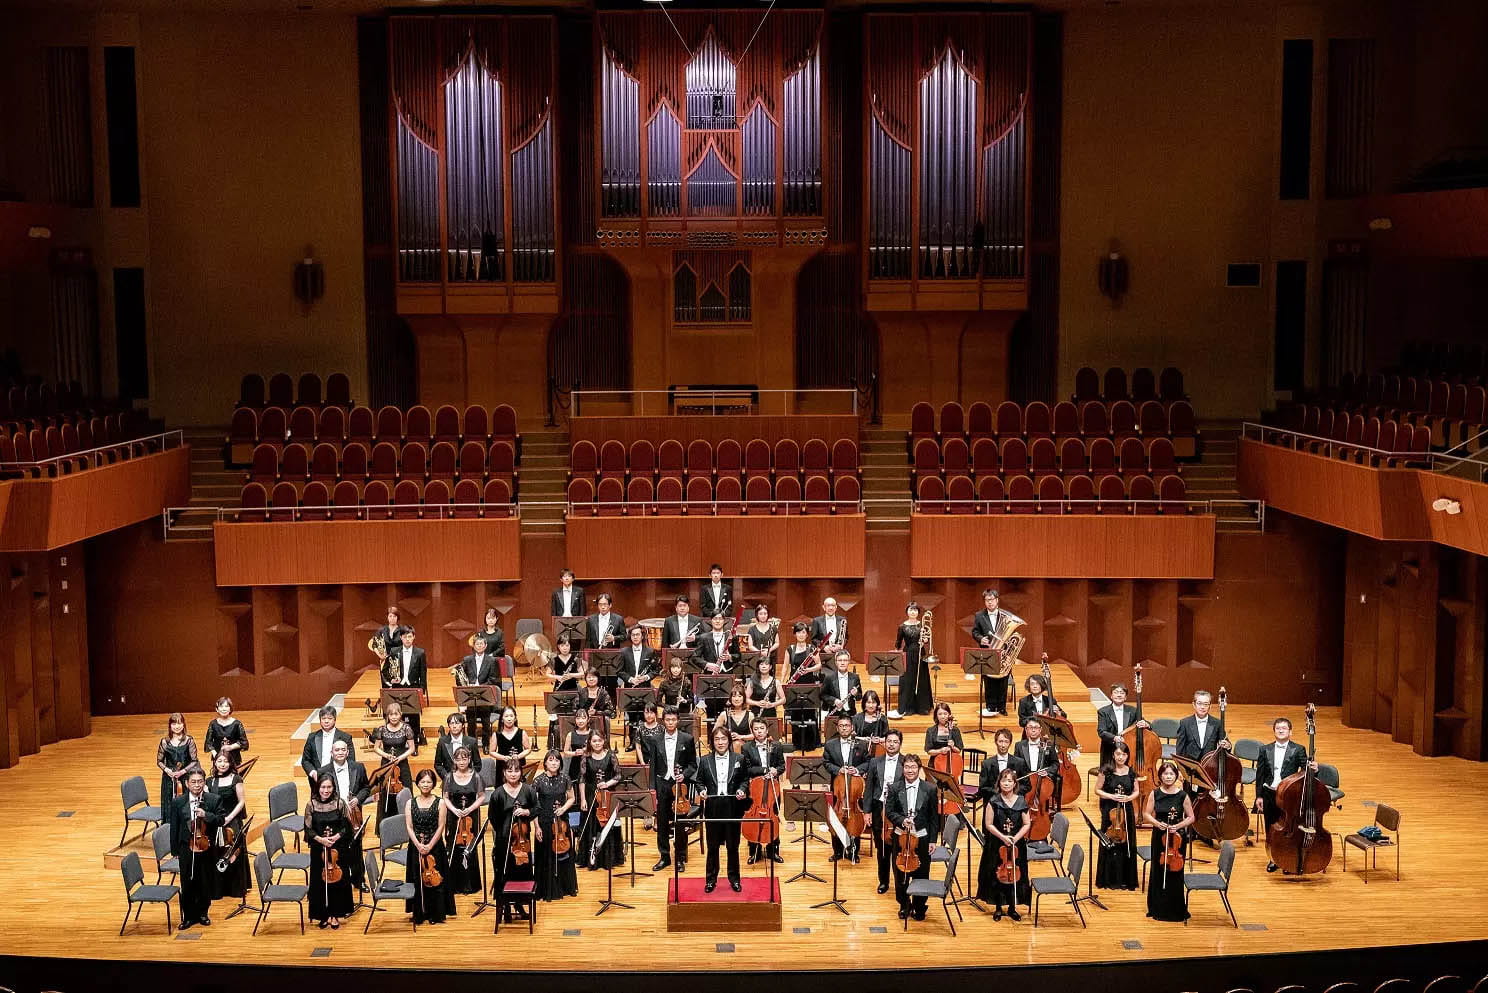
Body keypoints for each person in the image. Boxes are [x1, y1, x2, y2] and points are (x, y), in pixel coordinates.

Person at [1253, 716, 1315, 873]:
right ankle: (1273, 858)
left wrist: (1314, 768)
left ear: (1290, 732)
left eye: (1284, 728)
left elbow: (1306, 772)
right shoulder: (1264, 749)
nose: (1281, 730)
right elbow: (1260, 775)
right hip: (1269, 793)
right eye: (1278, 728)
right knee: (1270, 828)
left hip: (1288, 796)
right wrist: (1258, 796)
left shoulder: (1298, 749)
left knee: (1288, 829)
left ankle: (1286, 859)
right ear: (1274, 731)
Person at [695, 725, 748, 892]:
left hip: (733, 807)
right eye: (717, 739)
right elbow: (699, 782)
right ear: (712, 742)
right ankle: (711, 879)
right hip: (713, 807)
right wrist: (702, 791)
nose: (720, 742)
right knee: (712, 846)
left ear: (729, 741)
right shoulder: (704, 760)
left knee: (733, 846)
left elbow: (744, 780)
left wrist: (742, 789)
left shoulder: (739, 759)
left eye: (723, 739)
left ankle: (734, 879)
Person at [886, 753, 938, 921]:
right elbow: (889, 812)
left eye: (913, 767)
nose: (910, 770)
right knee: (900, 873)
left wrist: (932, 840)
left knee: (922, 872)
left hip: (922, 837)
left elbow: (933, 818)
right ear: (903, 769)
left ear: (919, 769)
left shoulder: (930, 789)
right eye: (907, 767)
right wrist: (902, 820)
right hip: (901, 838)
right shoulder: (894, 788)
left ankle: (920, 906)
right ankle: (904, 904)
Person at [170, 768, 223, 929]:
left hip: (206, 846)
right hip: (186, 846)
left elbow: (221, 819)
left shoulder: (214, 800)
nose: (197, 785)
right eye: (193, 782)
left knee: (204, 881)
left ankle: (203, 913)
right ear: (187, 783)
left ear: (204, 782)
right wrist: (175, 851)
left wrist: (206, 815)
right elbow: (174, 827)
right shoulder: (178, 802)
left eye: (200, 781)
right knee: (187, 882)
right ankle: (188, 916)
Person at [488, 758, 537, 924]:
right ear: (504, 773)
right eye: (510, 771)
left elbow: (537, 809)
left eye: (516, 771)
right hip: (504, 841)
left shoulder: (528, 790)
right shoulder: (497, 794)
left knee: (522, 873)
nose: (513, 774)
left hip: (523, 841)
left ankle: (520, 904)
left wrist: (526, 811)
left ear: (521, 773)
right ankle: (506, 907)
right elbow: (493, 818)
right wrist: (504, 831)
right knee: (505, 873)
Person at [977, 767, 1030, 919]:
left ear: (1015, 784)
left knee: (1015, 875)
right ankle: (999, 907)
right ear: (999, 783)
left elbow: (1026, 824)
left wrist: (1015, 838)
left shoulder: (1021, 801)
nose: (1006, 783)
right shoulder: (993, 801)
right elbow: (988, 824)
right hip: (996, 844)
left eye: (1009, 781)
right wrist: (1003, 837)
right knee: (997, 875)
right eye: (1003, 780)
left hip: (1016, 846)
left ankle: (1013, 907)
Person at [1145, 760, 1194, 922]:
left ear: (1176, 776)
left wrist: (1178, 825)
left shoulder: (1183, 795)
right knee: (1158, 870)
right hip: (1160, 837)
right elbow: (1147, 814)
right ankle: (1157, 907)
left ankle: (1175, 908)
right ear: (1160, 776)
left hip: (1177, 839)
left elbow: (1191, 817)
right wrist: (1157, 823)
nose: (1168, 777)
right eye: (1165, 774)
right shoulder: (1155, 794)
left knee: (1175, 872)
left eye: (1171, 774)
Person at [649, 706, 697, 872]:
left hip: (679, 787)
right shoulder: (655, 739)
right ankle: (665, 857)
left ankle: (680, 856)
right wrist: (652, 790)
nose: (670, 722)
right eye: (667, 719)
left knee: (680, 822)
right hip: (662, 785)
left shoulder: (687, 739)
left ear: (678, 720)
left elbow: (693, 765)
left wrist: (684, 775)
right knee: (662, 823)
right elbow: (653, 766)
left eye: (673, 719)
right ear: (663, 720)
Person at [318, 738, 369, 892]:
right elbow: (319, 794)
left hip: (354, 814)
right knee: (339, 848)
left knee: (356, 847)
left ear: (348, 752)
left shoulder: (358, 767)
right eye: (337, 750)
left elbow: (366, 788)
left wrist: (357, 799)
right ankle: (342, 879)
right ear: (331, 753)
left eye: (343, 750)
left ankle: (359, 880)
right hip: (335, 816)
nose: (340, 752)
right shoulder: (323, 771)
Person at [305, 772, 354, 929]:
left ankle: (335, 914)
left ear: (333, 788)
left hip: (337, 849)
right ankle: (322, 914)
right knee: (319, 882)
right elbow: (308, 829)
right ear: (318, 787)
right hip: (319, 849)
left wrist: (337, 837)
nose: (325, 790)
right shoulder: (311, 805)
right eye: (323, 787)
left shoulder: (340, 804)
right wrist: (321, 839)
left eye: (329, 787)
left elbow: (347, 827)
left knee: (338, 881)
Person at [406, 768, 454, 924]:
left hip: (435, 846)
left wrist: (429, 845)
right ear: (417, 783)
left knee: (436, 880)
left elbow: (441, 827)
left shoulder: (440, 802)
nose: (425, 785)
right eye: (422, 782)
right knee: (417, 878)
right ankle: (420, 913)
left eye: (429, 782)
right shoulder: (410, 803)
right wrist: (419, 845)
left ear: (433, 784)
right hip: (416, 847)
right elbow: (409, 827)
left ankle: (436, 913)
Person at [862, 727, 906, 894]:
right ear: (884, 743)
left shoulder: (906, 762)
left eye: (895, 742)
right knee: (881, 849)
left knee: (898, 847)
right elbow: (869, 788)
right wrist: (867, 812)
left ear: (900, 744)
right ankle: (883, 881)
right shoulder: (875, 762)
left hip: (897, 812)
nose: (892, 744)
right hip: (878, 808)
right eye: (889, 741)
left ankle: (900, 883)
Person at [532, 750, 579, 901]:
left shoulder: (565, 778)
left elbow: (572, 798)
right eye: (551, 760)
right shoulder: (538, 781)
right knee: (545, 855)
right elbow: (533, 805)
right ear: (545, 763)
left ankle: (565, 887)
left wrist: (563, 808)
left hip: (562, 823)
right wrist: (536, 827)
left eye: (557, 761)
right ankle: (545, 889)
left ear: (560, 763)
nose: (554, 763)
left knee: (564, 855)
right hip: (544, 821)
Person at [440, 746, 485, 897]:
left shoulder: (476, 776)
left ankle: (470, 884)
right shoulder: (449, 777)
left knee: (469, 847)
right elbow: (445, 797)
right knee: (454, 845)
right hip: (454, 816)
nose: (461, 762)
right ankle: (454, 884)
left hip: (470, 816)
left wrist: (469, 809)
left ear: (469, 759)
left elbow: (481, 796)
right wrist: (454, 810)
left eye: (464, 758)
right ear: (454, 760)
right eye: (458, 759)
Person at [823, 715, 869, 862]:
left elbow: (868, 762)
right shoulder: (830, 744)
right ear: (837, 728)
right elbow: (826, 762)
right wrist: (838, 770)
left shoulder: (861, 744)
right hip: (838, 787)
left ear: (852, 727)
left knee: (855, 819)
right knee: (836, 817)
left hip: (855, 788)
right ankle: (837, 851)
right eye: (841, 725)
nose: (844, 728)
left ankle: (854, 852)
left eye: (847, 725)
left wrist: (857, 770)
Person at [1094, 741, 1139, 890]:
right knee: (1109, 842)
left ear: (1127, 756)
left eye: (1124, 754)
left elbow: (1136, 791)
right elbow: (1097, 790)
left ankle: (1126, 879)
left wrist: (1129, 798)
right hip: (1110, 811)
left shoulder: (1131, 772)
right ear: (1113, 755)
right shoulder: (1105, 771)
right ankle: (1107, 878)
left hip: (1127, 812)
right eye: (1118, 754)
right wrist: (1111, 796)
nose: (1121, 757)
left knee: (1126, 843)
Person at [741, 718, 785, 865]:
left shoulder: (776, 746)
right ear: (752, 731)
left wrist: (775, 771)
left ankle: (773, 850)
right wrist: (764, 770)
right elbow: (747, 768)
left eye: (761, 728)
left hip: (773, 788)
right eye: (756, 729)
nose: (759, 731)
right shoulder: (746, 747)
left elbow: (781, 766)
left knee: (773, 815)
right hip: (755, 788)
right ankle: (755, 851)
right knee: (754, 818)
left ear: (767, 730)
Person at [206, 750, 249, 902]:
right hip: (216, 821)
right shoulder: (209, 781)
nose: (222, 764)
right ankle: (218, 888)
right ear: (215, 763)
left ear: (230, 763)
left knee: (233, 852)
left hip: (232, 820)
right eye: (219, 761)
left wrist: (229, 818)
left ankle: (235, 888)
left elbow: (241, 801)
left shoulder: (236, 779)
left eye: (225, 761)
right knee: (216, 851)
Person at [578, 729, 624, 870]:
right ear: (590, 742)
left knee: (607, 825)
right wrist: (583, 799)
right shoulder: (586, 757)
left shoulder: (611, 755)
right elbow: (582, 779)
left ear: (604, 741)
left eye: (599, 740)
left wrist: (607, 784)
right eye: (594, 741)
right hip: (591, 795)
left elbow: (618, 775)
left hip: (607, 796)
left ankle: (609, 859)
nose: (597, 743)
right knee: (592, 825)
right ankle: (591, 858)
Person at [370, 702, 415, 826]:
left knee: (405, 790)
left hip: (402, 763)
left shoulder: (407, 729)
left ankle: (407, 824)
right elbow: (376, 748)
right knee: (386, 792)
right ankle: (387, 824)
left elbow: (412, 749)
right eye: (391, 714)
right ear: (387, 716)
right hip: (387, 763)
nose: (394, 717)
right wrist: (387, 756)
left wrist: (400, 758)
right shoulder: (382, 729)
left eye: (396, 714)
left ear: (400, 714)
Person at [970, 589, 1011, 717]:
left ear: (997, 600)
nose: (990, 602)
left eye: (992, 599)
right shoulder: (979, 615)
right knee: (989, 679)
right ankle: (991, 706)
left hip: (1003, 652)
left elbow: (1010, 633)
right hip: (987, 652)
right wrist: (980, 638)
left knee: (1003, 679)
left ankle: (1002, 706)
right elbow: (975, 632)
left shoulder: (1005, 616)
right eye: (987, 600)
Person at [384, 627, 428, 746]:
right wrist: (391, 679)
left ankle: (415, 744)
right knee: (397, 714)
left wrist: (422, 692)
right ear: (401, 638)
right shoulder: (394, 651)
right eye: (405, 637)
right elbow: (385, 670)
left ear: (414, 637)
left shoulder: (420, 653)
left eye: (410, 636)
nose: (407, 639)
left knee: (414, 717)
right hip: (398, 687)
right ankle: (397, 742)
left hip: (413, 687)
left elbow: (423, 673)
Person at [783, 622, 822, 753]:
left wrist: (808, 669)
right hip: (794, 684)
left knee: (809, 712)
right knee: (796, 713)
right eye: (799, 632)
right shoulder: (790, 649)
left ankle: (811, 744)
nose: (801, 634)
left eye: (804, 632)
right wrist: (783, 683)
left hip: (808, 684)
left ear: (807, 634)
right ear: (795, 634)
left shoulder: (812, 648)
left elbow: (819, 665)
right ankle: (797, 743)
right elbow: (785, 667)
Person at [457, 633, 500, 744]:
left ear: (485, 646)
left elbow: (494, 679)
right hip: (470, 695)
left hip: (484, 695)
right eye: (477, 644)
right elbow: (460, 676)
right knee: (470, 719)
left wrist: (481, 687)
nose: (479, 646)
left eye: (482, 644)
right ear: (474, 646)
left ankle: (486, 744)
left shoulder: (492, 661)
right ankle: (472, 743)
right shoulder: (467, 660)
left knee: (486, 719)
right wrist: (466, 686)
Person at [891, 601, 932, 718]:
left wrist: (925, 641)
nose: (913, 612)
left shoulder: (923, 625)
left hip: (920, 653)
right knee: (907, 680)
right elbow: (898, 642)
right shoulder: (902, 626)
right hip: (907, 653)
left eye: (915, 610)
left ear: (918, 612)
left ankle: (922, 707)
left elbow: (927, 639)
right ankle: (907, 707)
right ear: (907, 611)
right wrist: (896, 652)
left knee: (921, 679)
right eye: (910, 609)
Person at [156, 712, 202, 814]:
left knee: (186, 804)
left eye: (179, 723)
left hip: (185, 777)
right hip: (169, 778)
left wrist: (182, 772)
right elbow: (159, 761)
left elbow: (194, 760)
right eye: (174, 724)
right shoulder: (165, 742)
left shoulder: (189, 741)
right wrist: (167, 770)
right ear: (170, 726)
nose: (177, 726)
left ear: (183, 725)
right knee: (169, 804)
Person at [1096, 683, 1145, 767]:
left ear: (1125, 697)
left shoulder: (1133, 710)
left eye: (1122, 693)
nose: (1119, 695)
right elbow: (1101, 731)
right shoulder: (1103, 711)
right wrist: (1115, 738)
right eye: (1116, 692)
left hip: (1129, 748)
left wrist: (1146, 724)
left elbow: (1146, 723)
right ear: (1111, 696)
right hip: (1110, 747)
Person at [618, 624, 658, 727]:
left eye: (637, 634)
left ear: (642, 636)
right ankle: (632, 742)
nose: (635, 637)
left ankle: (644, 742)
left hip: (645, 689)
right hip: (630, 689)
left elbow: (656, 670)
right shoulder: (623, 652)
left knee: (645, 717)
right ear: (630, 637)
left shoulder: (650, 651)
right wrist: (631, 679)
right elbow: (620, 671)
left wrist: (646, 677)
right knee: (631, 719)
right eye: (633, 635)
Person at [301, 705, 354, 782]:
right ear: (320, 720)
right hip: (317, 781)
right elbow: (305, 760)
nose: (326, 721)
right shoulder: (312, 737)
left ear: (335, 720)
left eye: (329, 718)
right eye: (323, 718)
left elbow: (351, 760)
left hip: (338, 780)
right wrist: (313, 773)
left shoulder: (345, 738)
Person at [978, 728, 1029, 803]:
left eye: (1006, 742)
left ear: (1010, 743)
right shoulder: (987, 764)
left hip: (1013, 804)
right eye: (1000, 741)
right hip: (994, 804)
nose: (1003, 745)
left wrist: (1011, 792)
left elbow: (1027, 786)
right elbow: (983, 788)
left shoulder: (1019, 762)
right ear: (996, 742)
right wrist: (1000, 792)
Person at [923, 703, 964, 788]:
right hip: (934, 764)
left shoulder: (955, 730)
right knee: (933, 790)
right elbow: (929, 751)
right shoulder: (931, 731)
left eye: (945, 714)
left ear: (949, 715)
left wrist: (953, 747)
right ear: (936, 716)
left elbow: (959, 750)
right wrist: (940, 751)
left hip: (951, 764)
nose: (943, 716)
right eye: (940, 714)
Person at [204, 697, 249, 772]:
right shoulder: (213, 724)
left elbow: (244, 742)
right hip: (218, 759)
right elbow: (208, 743)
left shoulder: (237, 724)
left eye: (226, 706)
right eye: (221, 706)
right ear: (217, 709)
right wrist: (216, 755)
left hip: (233, 758)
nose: (224, 709)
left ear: (230, 709)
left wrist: (231, 747)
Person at [434, 712, 481, 782]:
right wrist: (446, 777)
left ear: (463, 725)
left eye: (457, 723)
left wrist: (468, 776)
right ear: (449, 726)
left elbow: (478, 764)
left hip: (468, 781)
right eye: (452, 723)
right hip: (449, 781)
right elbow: (438, 764)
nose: (454, 726)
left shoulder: (472, 741)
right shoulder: (442, 742)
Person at [820, 651, 862, 720]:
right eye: (840, 660)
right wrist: (834, 700)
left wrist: (856, 693)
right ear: (836, 662)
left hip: (851, 714)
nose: (842, 663)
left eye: (845, 660)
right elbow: (823, 695)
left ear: (849, 662)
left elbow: (859, 697)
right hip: (835, 714)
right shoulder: (829, 678)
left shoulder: (855, 677)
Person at [698, 613, 737, 681]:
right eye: (715, 618)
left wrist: (730, 657)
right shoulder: (703, 637)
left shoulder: (731, 636)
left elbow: (738, 656)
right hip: (710, 675)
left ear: (724, 621)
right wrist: (707, 665)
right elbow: (695, 657)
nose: (717, 621)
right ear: (711, 621)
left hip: (728, 674)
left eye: (720, 619)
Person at [560, 707, 596, 781]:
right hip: (575, 766)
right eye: (578, 718)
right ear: (575, 720)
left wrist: (586, 751)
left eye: (583, 718)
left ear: (588, 719)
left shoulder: (593, 734)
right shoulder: (570, 735)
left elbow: (599, 750)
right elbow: (565, 752)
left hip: (591, 765)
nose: (580, 721)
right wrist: (575, 753)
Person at [746, 655, 785, 721]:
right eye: (761, 664)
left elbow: (783, 699)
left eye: (766, 664)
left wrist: (772, 704)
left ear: (770, 667)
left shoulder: (776, 682)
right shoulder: (752, 681)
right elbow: (746, 699)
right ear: (758, 667)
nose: (764, 666)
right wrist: (757, 703)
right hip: (756, 714)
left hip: (771, 714)